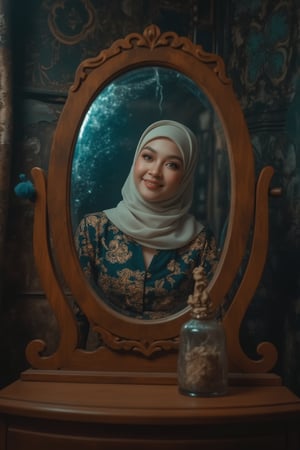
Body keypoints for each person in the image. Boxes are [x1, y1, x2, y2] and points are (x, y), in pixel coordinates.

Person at [75, 120, 218, 326]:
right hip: (101, 356)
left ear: (185, 176)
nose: (155, 171)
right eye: (148, 157)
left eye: (172, 164)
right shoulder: (93, 229)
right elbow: (78, 315)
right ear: (136, 160)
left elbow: (211, 321)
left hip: (177, 357)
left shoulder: (202, 242)